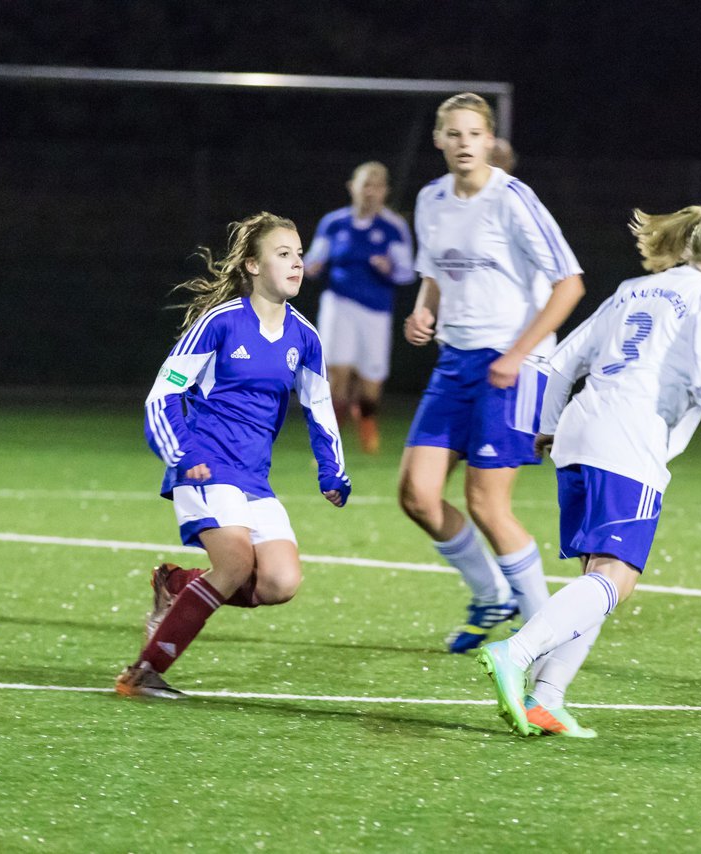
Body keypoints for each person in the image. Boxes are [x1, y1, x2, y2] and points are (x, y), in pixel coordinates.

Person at [476, 205, 701, 737]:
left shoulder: (634, 288)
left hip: (581, 434)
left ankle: (547, 697)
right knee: (616, 580)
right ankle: (517, 652)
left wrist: (551, 427)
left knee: (597, 577)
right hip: (628, 442)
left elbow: (563, 362)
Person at [116, 212, 352, 698]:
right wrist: (183, 452)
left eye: (300, 255)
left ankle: (177, 583)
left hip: (253, 479)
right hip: (205, 463)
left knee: (280, 584)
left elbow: (320, 407)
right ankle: (144, 672)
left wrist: (332, 470)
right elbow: (163, 394)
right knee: (236, 565)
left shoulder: (304, 337)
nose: (297, 264)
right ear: (252, 265)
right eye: (283, 254)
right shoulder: (219, 324)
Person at [400, 93, 585, 654]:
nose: (463, 144)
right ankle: (490, 596)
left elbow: (570, 284)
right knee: (417, 495)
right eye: (453, 134)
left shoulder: (514, 201)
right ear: (439, 140)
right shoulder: (430, 199)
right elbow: (433, 271)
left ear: (489, 140)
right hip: (455, 361)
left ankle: (543, 637)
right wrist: (423, 309)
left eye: (473, 134)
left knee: (487, 504)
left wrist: (516, 353)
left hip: (513, 365)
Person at [305, 161, 416, 455]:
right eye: (365, 184)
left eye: (377, 186)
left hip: (376, 310)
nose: (371, 192)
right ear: (352, 187)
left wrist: (390, 267)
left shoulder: (393, 226)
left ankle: (366, 424)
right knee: (336, 373)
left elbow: (407, 272)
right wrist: (310, 267)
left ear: (385, 192)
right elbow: (313, 261)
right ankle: (330, 441)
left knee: (370, 381)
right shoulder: (334, 223)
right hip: (338, 302)